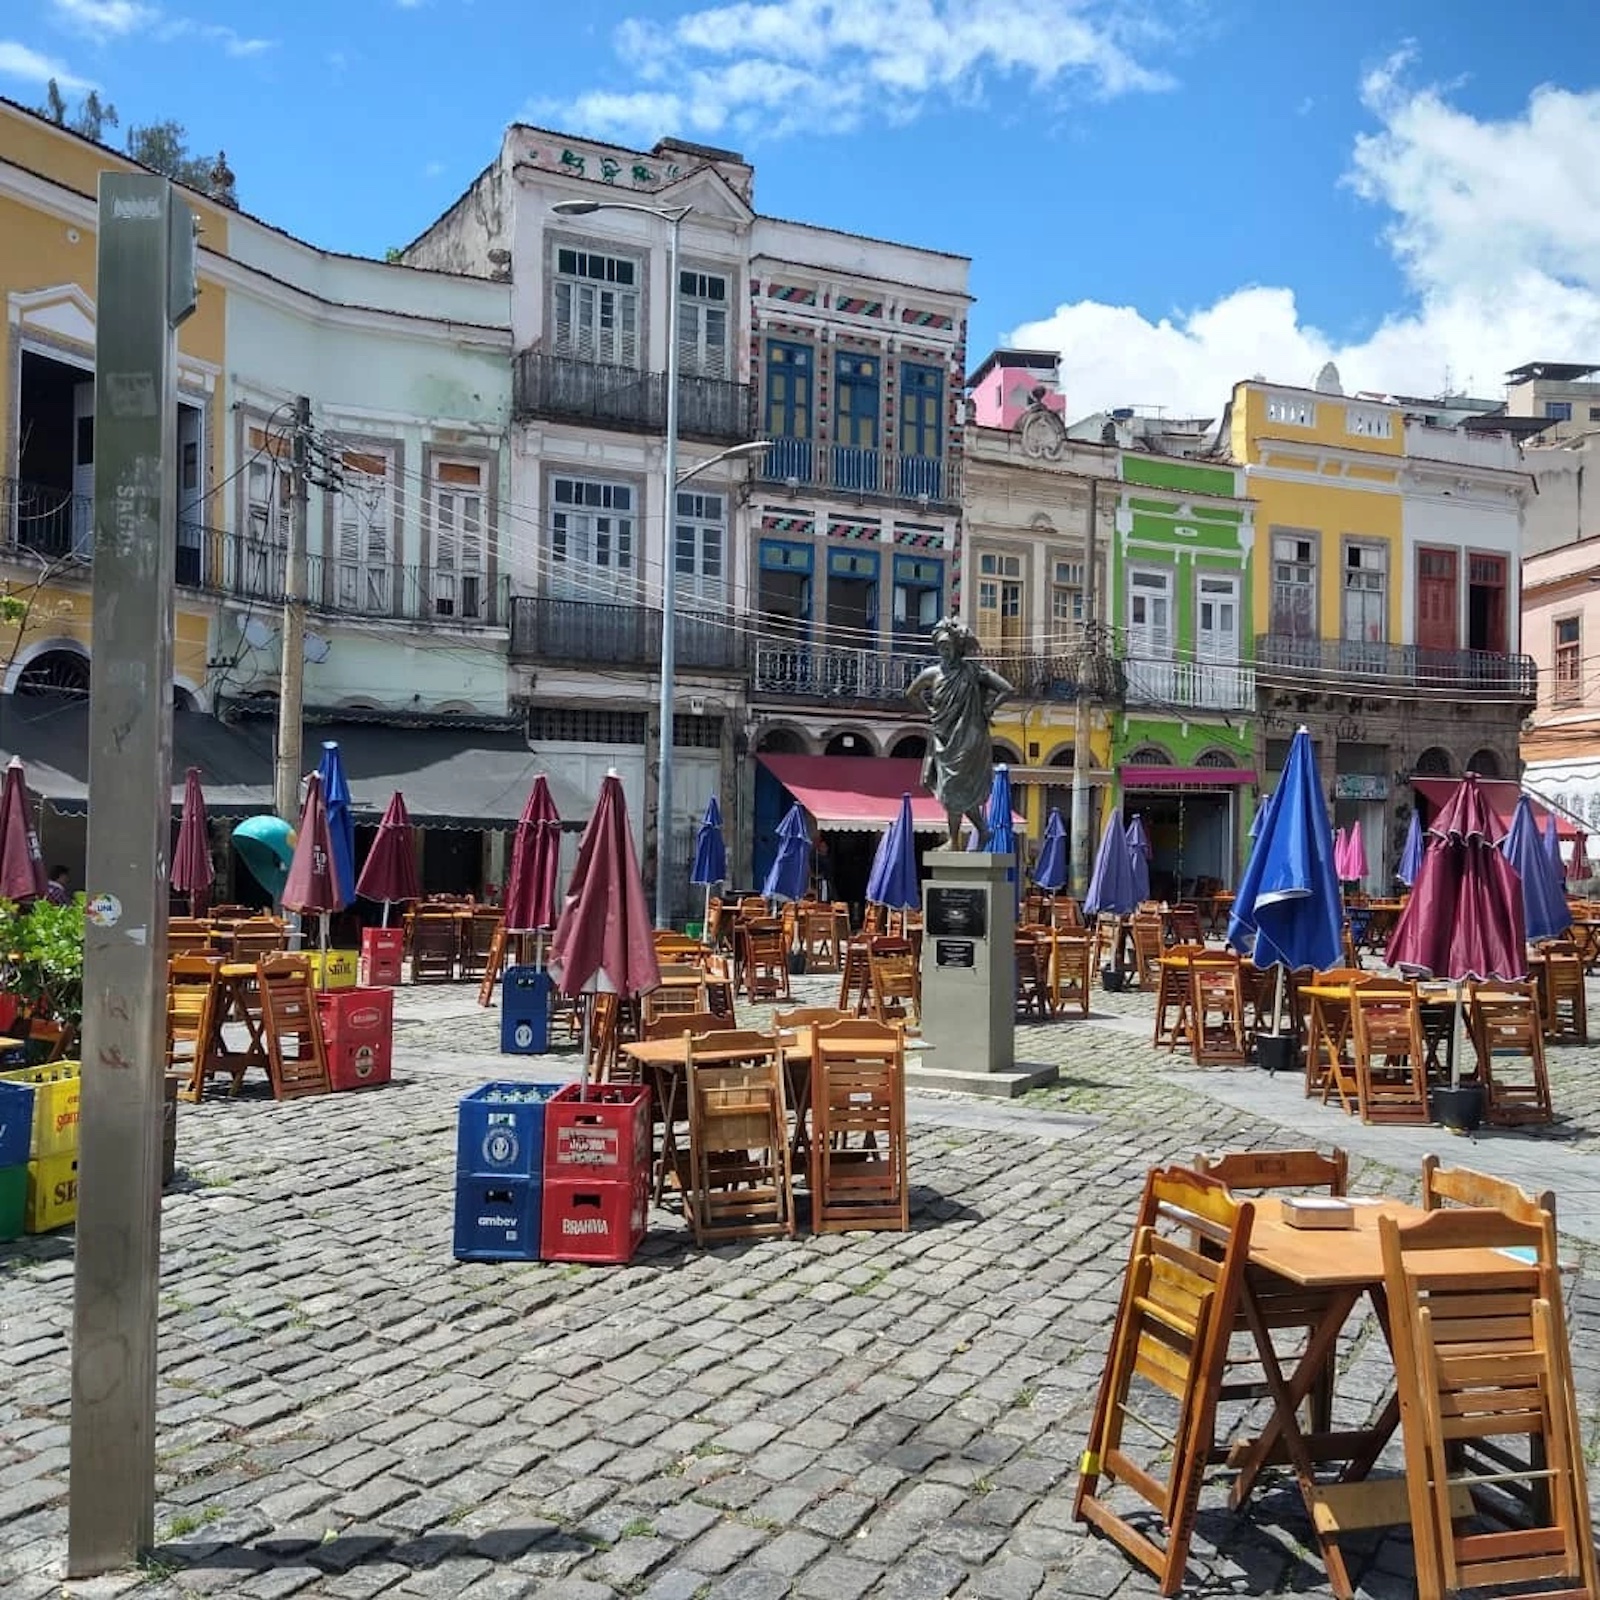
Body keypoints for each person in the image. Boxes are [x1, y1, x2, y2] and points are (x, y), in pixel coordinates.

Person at [906, 616, 1013, 851]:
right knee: (951, 789)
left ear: (957, 647)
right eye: (940, 646)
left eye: (948, 646)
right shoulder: (931, 674)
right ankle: (982, 831)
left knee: (953, 788)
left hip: (968, 737)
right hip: (944, 736)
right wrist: (930, 712)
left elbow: (1007, 689)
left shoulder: (973, 672)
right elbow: (912, 694)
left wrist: (988, 708)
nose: (944, 650)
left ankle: (955, 841)